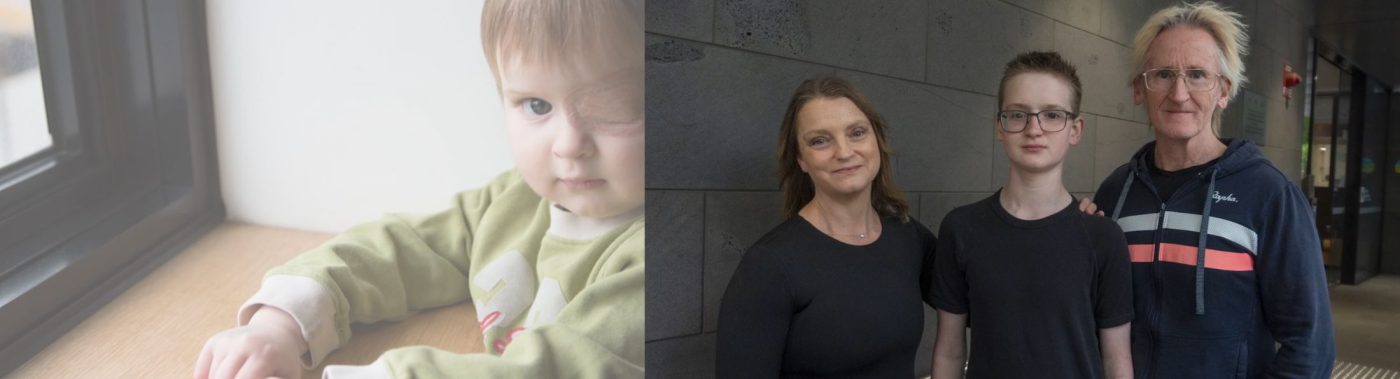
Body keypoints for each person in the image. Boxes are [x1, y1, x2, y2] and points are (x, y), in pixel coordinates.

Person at [193, 0, 644, 377]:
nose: (569, 145)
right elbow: (405, 248)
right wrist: (283, 322)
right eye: (537, 104)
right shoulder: (516, 202)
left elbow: (557, 369)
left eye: (615, 106)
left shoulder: (671, 257)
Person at [1086, 2, 1335, 377]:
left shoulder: (1269, 196)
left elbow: (1310, 346)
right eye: (1163, 74)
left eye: (1198, 74)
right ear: (1140, 88)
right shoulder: (1116, 193)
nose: (1179, 93)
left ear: (1224, 91)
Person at [715, 76, 938, 377]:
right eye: (820, 140)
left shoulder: (909, 237)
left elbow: (986, 307)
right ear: (801, 159)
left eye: (857, 133)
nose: (844, 152)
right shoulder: (769, 265)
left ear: (877, 141)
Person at [930, 51, 1133, 379]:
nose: (1034, 129)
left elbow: (1116, 360)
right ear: (1000, 125)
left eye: (1052, 115)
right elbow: (950, 352)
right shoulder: (962, 228)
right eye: (1018, 114)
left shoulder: (1103, 237)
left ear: (1075, 129)